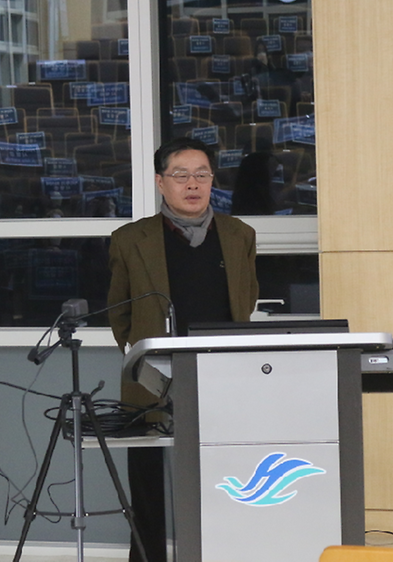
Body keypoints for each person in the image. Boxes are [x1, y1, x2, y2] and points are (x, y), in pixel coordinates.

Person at [107, 136, 258, 562]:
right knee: (148, 484)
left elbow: (245, 300)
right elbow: (119, 314)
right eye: (181, 175)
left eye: (201, 175)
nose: (193, 184)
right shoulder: (129, 239)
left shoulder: (239, 235)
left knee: (226, 478)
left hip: (222, 376)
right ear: (161, 182)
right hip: (153, 378)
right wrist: (145, 358)